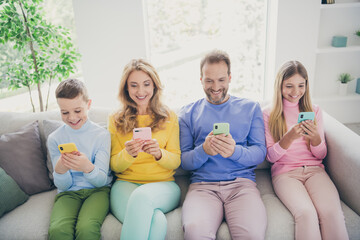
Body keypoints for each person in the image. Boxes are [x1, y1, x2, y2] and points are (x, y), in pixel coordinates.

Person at [178, 49, 267, 240]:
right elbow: (184, 161)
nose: (215, 87)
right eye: (209, 80)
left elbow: (260, 153)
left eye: (221, 80)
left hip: (241, 185)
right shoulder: (187, 114)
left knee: (252, 234)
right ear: (200, 79)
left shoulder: (250, 108)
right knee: (194, 231)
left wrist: (234, 151)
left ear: (229, 78)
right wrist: (204, 150)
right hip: (203, 187)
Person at [262, 60, 349, 240]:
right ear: (280, 86)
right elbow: (270, 157)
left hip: (315, 171)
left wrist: (315, 138)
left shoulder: (314, 111)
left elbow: (321, 155)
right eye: (289, 86)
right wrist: (289, 138)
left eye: (301, 85)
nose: (295, 92)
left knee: (332, 213)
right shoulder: (268, 114)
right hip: (285, 174)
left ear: (306, 86)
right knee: (306, 213)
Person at [108, 59, 181, 240]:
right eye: (134, 85)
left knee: (141, 198)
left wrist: (159, 153)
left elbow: (176, 160)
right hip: (125, 185)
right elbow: (115, 165)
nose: (141, 91)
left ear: (155, 86)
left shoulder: (169, 117)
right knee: (157, 222)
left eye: (146, 84)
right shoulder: (115, 119)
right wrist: (128, 153)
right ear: (126, 88)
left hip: (164, 185)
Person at [47, 79, 112, 240]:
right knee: (57, 230)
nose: (72, 117)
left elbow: (101, 181)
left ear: (88, 104)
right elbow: (63, 185)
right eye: (65, 112)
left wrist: (87, 167)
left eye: (77, 110)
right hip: (68, 193)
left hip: (98, 191)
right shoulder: (55, 138)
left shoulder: (102, 135)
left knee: (87, 228)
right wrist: (61, 170)